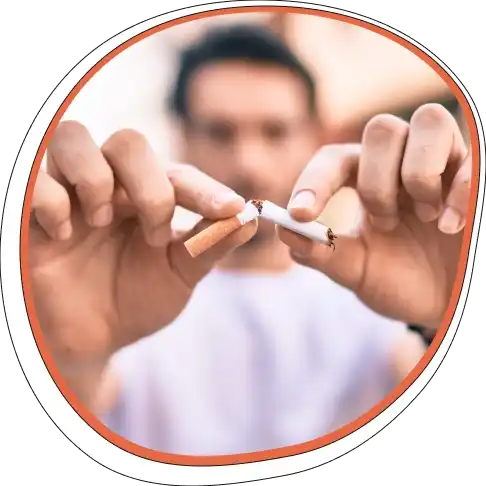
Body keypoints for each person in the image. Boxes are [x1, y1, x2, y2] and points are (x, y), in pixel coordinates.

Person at [29, 25, 470, 455]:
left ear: (315, 137)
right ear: (181, 137)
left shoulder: (374, 305)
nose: (249, 164)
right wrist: (64, 359)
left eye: (275, 131)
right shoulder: (127, 297)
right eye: (220, 132)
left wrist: (445, 316)